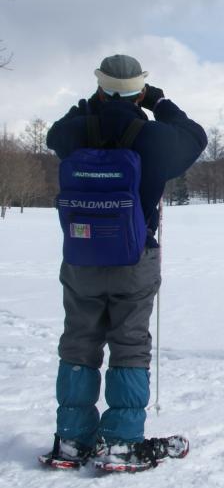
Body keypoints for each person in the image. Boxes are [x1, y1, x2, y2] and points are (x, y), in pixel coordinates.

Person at [40, 54, 207, 470]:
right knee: (129, 345)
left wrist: (90, 105)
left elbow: (54, 135)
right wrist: (160, 102)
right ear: (140, 90)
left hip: (82, 255)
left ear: (99, 87)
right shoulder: (153, 137)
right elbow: (195, 137)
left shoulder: (78, 131)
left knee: (79, 342)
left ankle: (72, 441)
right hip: (135, 256)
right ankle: (121, 442)